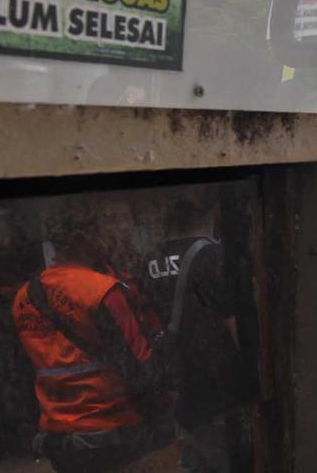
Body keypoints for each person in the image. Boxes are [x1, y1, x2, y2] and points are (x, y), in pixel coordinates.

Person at [13, 211, 159, 473]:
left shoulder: (24, 297)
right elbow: (140, 362)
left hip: (57, 435)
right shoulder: (102, 290)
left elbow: (26, 368)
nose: (106, 239)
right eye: (99, 232)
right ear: (83, 239)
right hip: (112, 428)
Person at [144, 200, 246, 473]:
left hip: (181, 386)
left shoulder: (151, 260)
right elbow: (235, 325)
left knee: (194, 459)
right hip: (218, 388)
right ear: (210, 212)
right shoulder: (214, 256)